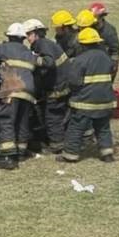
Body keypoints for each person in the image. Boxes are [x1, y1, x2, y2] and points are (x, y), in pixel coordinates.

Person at [57, 28, 117, 163]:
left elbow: (74, 82)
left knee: (76, 127)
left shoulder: (80, 60)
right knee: (103, 127)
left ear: (82, 44)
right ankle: (107, 153)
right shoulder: (105, 57)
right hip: (106, 100)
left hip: (85, 102)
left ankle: (70, 155)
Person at [0, 23, 38, 170]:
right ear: (23, 38)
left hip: (11, 89)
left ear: (9, 36)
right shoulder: (29, 53)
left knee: (7, 121)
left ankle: (9, 158)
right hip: (28, 91)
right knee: (22, 121)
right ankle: (21, 151)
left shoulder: (2, 49)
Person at [23, 18, 71, 154]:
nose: (27, 38)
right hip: (62, 86)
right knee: (57, 115)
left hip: (57, 88)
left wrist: (30, 58)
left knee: (52, 117)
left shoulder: (42, 44)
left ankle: (57, 145)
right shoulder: (46, 44)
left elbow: (48, 62)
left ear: (37, 33)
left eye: (29, 34)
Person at [89, 2, 119, 79]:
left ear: (102, 16)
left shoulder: (109, 31)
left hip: (104, 63)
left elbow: (115, 51)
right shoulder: (87, 28)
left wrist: (114, 65)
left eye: (96, 16)